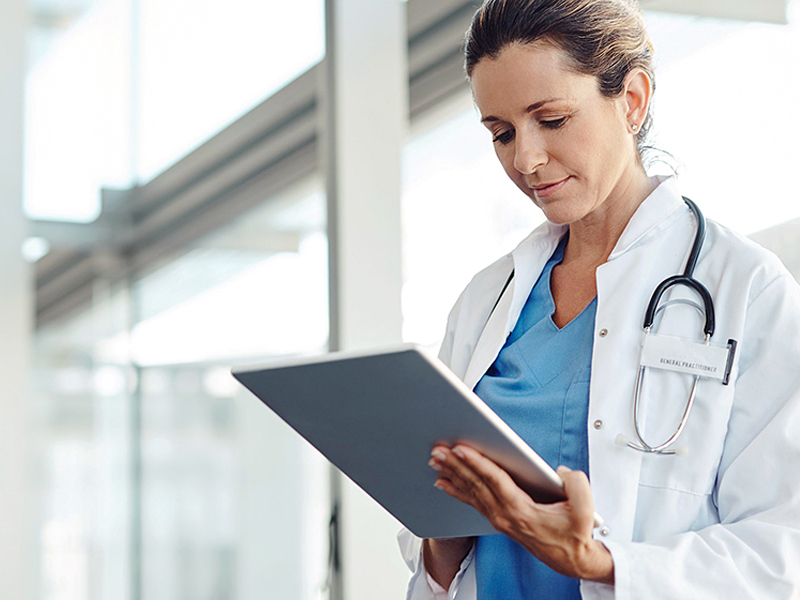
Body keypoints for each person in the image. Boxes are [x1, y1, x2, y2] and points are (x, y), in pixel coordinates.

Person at [397, 0, 800, 598]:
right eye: (501, 134)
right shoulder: (487, 300)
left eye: (552, 119)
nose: (525, 160)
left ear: (632, 99)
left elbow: (782, 550)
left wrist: (604, 563)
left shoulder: (745, 288)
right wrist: (444, 541)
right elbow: (437, 557)